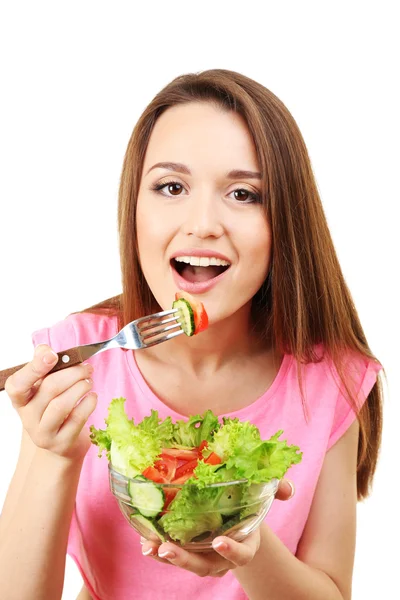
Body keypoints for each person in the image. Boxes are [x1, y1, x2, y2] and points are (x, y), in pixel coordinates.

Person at [0, 69, 383, 600]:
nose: (203, 222)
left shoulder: (331, 381)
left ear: (285, 222)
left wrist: (242, 534)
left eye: (244, 193)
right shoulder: (79, 358)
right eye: (171, 187)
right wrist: (53, 454)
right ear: (135, 209)